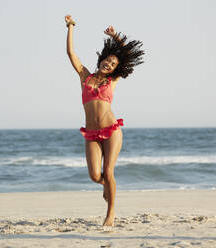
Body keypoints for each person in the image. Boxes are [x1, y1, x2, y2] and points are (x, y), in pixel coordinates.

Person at [65, 15, 144, 226]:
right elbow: (71, 53)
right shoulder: (86, 77)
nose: (109, 64)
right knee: (94, 175)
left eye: (112, 63)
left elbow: (126, 56)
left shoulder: (113, 80)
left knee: (109, 171)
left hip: (111, 130)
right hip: (91, 133)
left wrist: (116, 36)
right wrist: (70, 26)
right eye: (107, 60)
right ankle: (105, 186)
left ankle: (110, 214)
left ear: (115, 68)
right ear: (100, 60)